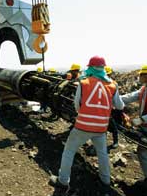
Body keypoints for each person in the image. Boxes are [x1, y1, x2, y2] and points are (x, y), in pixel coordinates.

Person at [49, 56, 125, 194]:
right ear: (103, 68)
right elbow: (119, 105)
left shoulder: (83, 83)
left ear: (90, 67)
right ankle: (105, 181)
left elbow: (77, 106)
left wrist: (85, 113)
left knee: (69, 150)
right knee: (102, 154)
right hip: (101, 127)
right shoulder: (113, 85)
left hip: (83, 126)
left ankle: (63, 181)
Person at [104, 66, 119, 148]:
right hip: (104, 109)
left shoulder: (113, 84)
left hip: (109, 109)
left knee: (113, 126)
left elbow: (116, 100)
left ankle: (115, 141)